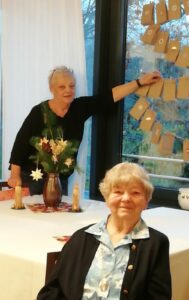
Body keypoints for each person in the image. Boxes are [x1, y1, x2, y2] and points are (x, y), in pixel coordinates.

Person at [7, 66, 161, 195]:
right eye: (62, 87)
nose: (68, 90)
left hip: (59, 180)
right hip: (31, 178)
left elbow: (110, 96)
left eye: (72, 85)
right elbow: (21, 142)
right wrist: (14, 176)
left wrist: (140, 82)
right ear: (51, 89)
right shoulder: (39, 112)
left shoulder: (79, 108)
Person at [37, 162, 172, 300]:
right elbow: (51, 291)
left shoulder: (156, 243)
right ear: (107, 198)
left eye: (135, 193)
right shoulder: (82, 238)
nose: (126, 198)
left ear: (146, 201)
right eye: (118, 192)